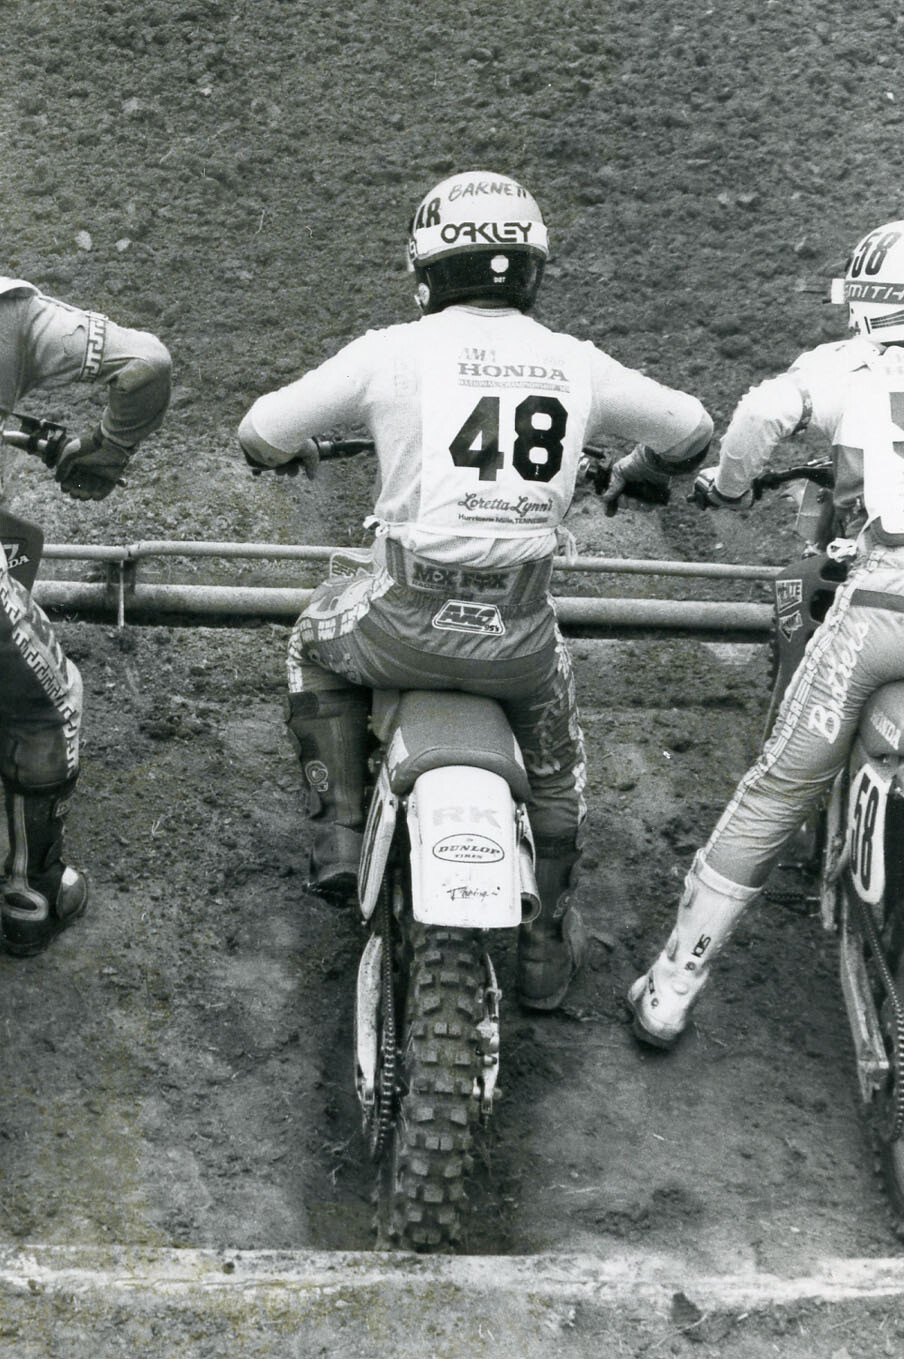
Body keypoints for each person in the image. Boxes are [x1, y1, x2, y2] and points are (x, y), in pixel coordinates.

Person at [238, 169, 713, 1011]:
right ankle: (539, 943)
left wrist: (292, 454)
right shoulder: (578, 363)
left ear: (426, 264)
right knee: (561, 772)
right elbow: (692, 429)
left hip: (396, 619)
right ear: (530, 265)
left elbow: (261, 429)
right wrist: (639, 466)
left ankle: (340, 831)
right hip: (517, 638)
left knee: (310, 639)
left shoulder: (390, 352)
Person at [628, 217, 904, 1048]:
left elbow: (761, 410)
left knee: (777, 788)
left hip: (888, 605)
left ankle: (672, 986)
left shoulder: (849, 364)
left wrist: (732, 485)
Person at [0, 276, 171, 956]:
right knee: (46, 701)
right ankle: (29, 895)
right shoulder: (11, 312)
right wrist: (107, 450)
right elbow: (147, 364)